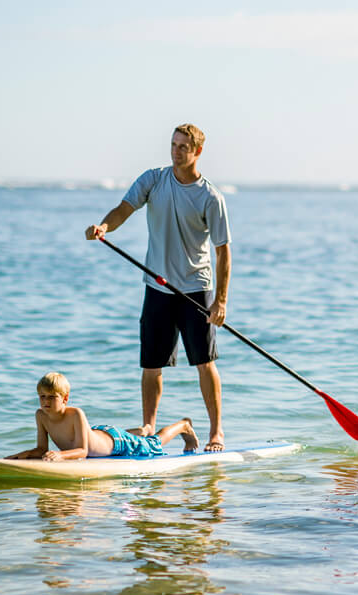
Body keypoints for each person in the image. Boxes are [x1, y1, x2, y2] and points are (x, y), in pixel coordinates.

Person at [85, 123, 231, 452]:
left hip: (195, 289)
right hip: (157, 287)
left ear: (197, 152)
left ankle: (216, 432)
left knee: (204, 363)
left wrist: (220, 301)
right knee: (151, 365)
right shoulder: (153, 179)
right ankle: (149, 424)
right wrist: (104, 226)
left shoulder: (210, 197)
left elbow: (223, 252)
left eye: (183, 147)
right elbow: (124, 208)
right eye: (173, 145)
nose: (176, 151)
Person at [6, 372, 198, 461]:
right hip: (97, 433)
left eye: (52, 397)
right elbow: (41, 448)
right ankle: (141, 430)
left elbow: (82, 451)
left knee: (153, 443)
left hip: (116, 441)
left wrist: (61, 455)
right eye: (42, 397)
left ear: (65, 398)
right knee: (143, 436)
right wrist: (21, 456)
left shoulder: (75, 414)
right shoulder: (41, 415)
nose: (45, 402)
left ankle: (183, 425)